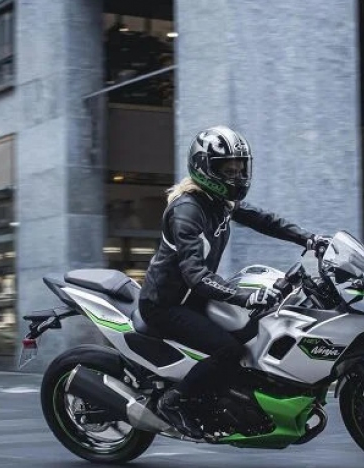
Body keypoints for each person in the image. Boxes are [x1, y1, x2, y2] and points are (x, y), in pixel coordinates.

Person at [138, 125, 330, 438]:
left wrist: (308, 238)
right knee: (228, 350)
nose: (237, 177)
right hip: (166, 304)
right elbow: (195, 275)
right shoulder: (187, 211)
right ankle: (174, 402)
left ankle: (231, 399)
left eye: (241, 169)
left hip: (194, 298)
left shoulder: (219, 200)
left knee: (253, 329)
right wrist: (244, 296)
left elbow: (264, 220)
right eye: (229, 170)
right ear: (205, 168)